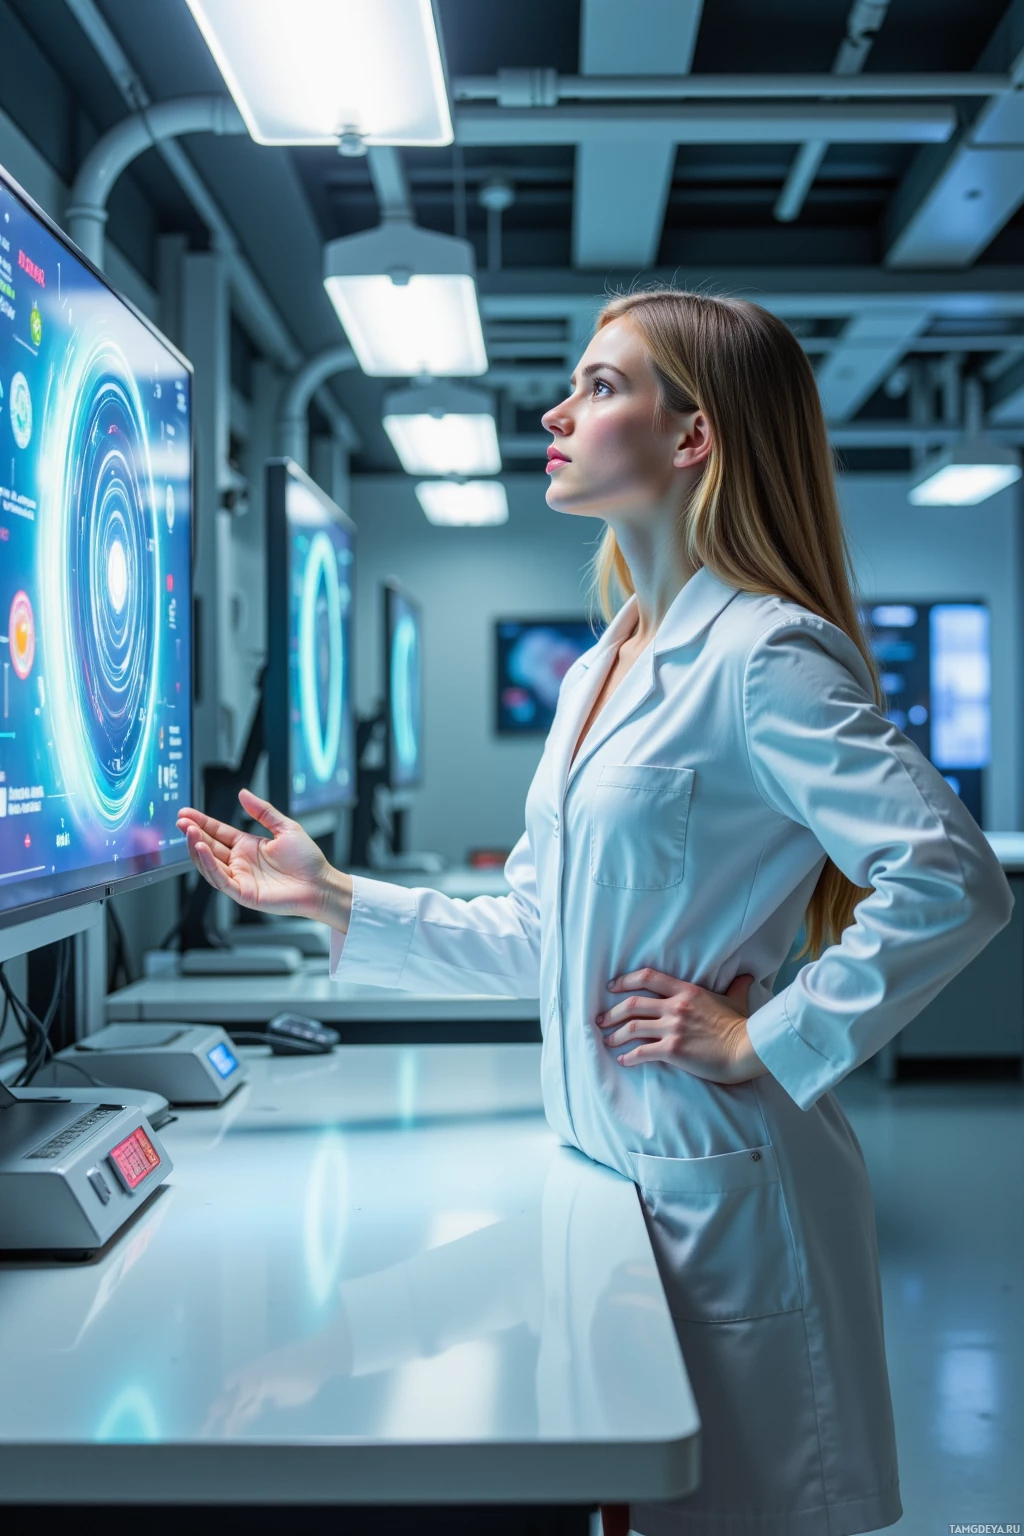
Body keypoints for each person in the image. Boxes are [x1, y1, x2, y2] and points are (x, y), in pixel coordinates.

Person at [178, 289, 1013, 1536]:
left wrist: (764, 1036)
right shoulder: (600, 665)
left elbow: (952, 876)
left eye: (601, 385)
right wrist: (331, 895)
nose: (557, 412)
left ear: (693, 439)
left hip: (724, 1194)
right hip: (617, 1187)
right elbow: (538, 934)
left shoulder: (765, 656)